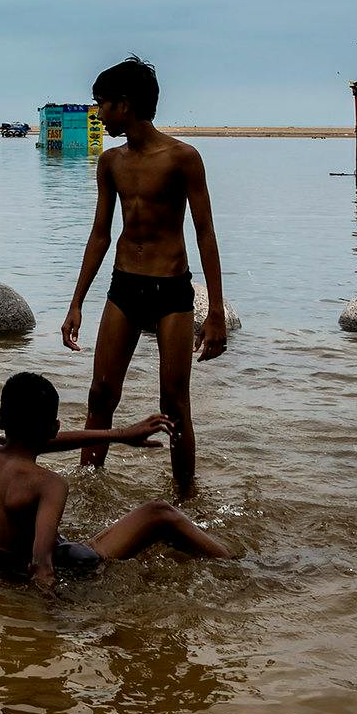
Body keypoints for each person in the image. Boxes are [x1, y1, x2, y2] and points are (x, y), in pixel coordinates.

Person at [60, 55, 227, 491]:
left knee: (173, 401)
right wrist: (76, 301)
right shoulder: (111, 162)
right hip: (123, 286)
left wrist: (217, 313)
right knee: (101, 394)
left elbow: (206, 233)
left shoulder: (182, 158)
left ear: (125, 104)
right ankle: (88, 487)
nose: (98, 113)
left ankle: (185, 497)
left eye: (101, 104)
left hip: (171, 289)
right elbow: (100, 234)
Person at [0, 373, 233, 595]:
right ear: (54, 427)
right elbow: (42, 565)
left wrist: (119, 435)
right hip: (24, 568)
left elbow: (35, 442)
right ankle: (235, 564)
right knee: (159, 512)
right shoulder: (49, 485)